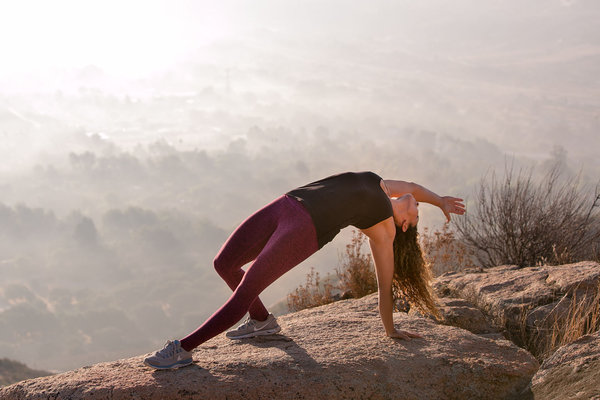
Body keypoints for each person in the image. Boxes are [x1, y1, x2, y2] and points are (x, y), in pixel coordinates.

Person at [143, 171, 465, 369]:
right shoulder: (381, 185)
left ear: (404, 225)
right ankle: (262, 322)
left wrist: (390, 328)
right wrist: (440, 201)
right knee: (224, 264)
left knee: (245, 291)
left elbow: (384, 284)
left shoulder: (384, 231)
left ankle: (182, 350)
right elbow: (412, 186)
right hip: (288, 203)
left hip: (306, 229)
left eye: (417, 215)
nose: (416, 205)